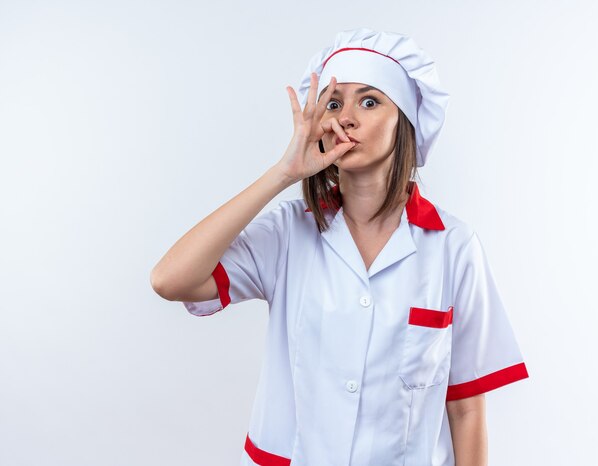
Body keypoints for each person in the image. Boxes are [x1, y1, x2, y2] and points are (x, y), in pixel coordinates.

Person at [151, 28, 529, 466]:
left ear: (403, 122)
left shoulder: (454, 247)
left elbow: (465, 407)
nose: (346, 117)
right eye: (334, 103)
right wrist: (283, 173)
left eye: (369, 101)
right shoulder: (288, 234)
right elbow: (169, 279)